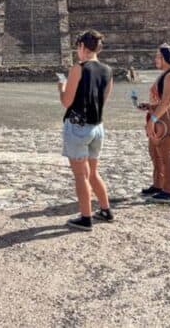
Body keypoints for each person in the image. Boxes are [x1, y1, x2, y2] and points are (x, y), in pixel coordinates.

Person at [58, 30, 114, 231]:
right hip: (97, 127)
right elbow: (102, 101)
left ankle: (86, 217)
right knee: (93, 173)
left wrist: (61, 87)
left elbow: (66, 101)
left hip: (78, 127)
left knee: (81, 175)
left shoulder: (78, 69)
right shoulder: (108, 71)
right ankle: (106, 209)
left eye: (77, 48)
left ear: (82, 47)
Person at [140, 43, 170, 202]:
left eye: (159, 56)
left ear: (167, 58)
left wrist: (153, 119)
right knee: (155, 152)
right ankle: (158, 184)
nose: (156, 59)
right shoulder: (166, 74)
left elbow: (166, 102)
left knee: (166, 154)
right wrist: (149, 106)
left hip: (164, 117)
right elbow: (161, 101)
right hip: (159, 115)